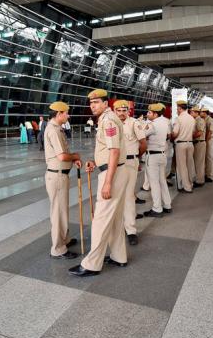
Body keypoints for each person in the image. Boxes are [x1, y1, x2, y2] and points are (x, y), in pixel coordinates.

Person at [69, 89, 129, 277]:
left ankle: (92, 264)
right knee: (116, 219)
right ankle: (119, 256)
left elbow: (114, 152)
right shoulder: (105, 119)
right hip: (116, 170)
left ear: (106, 104)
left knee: (101, 220)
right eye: (91, 103)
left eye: (96, 102)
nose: (92, 105)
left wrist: (107, 183)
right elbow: (108, 150)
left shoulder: (109, 120)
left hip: (114, 174)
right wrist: (95, 162)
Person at [43, 101, 81, 259]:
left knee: (62, 210)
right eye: (66, 113)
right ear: (58, 114)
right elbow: (62, 156)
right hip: (57, 176)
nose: (68, 115)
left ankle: (64, 239)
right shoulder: (54, 130)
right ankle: (58, 249)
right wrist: (75, 156)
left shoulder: (56, 128)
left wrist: (72, 160)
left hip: (59, 174)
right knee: (58, 212)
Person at [114, 99, 147, 246]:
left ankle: (131, 230)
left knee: (128, 196)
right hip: (115, 164)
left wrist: (137, 158)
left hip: (129, 162)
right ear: (114, 111)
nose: (121, 113)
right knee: (115, 196)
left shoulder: (134, 123)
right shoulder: (111, 123)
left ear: (128, 111)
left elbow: (143, 144)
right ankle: (118, 226)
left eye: (124, 111)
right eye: (118, 111)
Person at [143, 103, 172, 217]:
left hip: (153, 156)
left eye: (149, 112)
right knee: (162, 181)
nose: (147, 114)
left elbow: (142, 134)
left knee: (154, 183)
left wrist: (144, 125)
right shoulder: (165, 122)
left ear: (155, 114)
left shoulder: (152, 124)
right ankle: (167, 205)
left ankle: (157, 208)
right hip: (162, 155)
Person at [172, 100, 195, 193]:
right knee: (189, 165)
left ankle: (186, 187)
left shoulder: (179, 119)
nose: (177, 110)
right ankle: (191, 183)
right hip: (190, 144)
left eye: (177, 108)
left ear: (180, 108)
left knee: (182, 166)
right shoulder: (192, 118)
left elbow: (175, 133)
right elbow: (193, 132)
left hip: (181, 144)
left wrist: (171, 136)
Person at [190, 106, 206, 187]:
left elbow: (200, 132)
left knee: (199, 162)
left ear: (196, 113)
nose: (190, 113)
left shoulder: (200, 120)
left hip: (199, 143)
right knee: (197, 162)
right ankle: (198, 178)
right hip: (197, 143)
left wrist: (191, 137)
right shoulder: (195, 120)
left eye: (192, 112)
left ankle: (200, 181)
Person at [200, 107, 213, 182]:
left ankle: (209, 175)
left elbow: (210, 132)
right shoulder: (203, 119)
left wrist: (205, 141)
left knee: (208, 157)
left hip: (208, 141)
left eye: (201, 112)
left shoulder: (210, 120)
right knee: (205, 157)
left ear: (205, 112)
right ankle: (205, 173)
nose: (200, 113)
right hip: (205, 140)